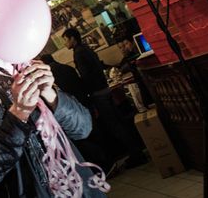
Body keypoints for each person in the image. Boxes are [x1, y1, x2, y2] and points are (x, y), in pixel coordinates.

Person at [0, 11, 106, 198]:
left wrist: (50, 94)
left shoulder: (22, 65)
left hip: (82, 188)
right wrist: (18, 113)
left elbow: (83, 127)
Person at [62, 28, 147, 168]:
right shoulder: (87, 49)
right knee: (119, 121)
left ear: (72, 39)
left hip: (98, 93)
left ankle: (136, 154)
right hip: (105, 89)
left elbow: (86, 76)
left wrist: (83, 91)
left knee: (114, 125)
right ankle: (138, 151)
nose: (65, 43)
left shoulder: (79, 53)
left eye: (66, 39)